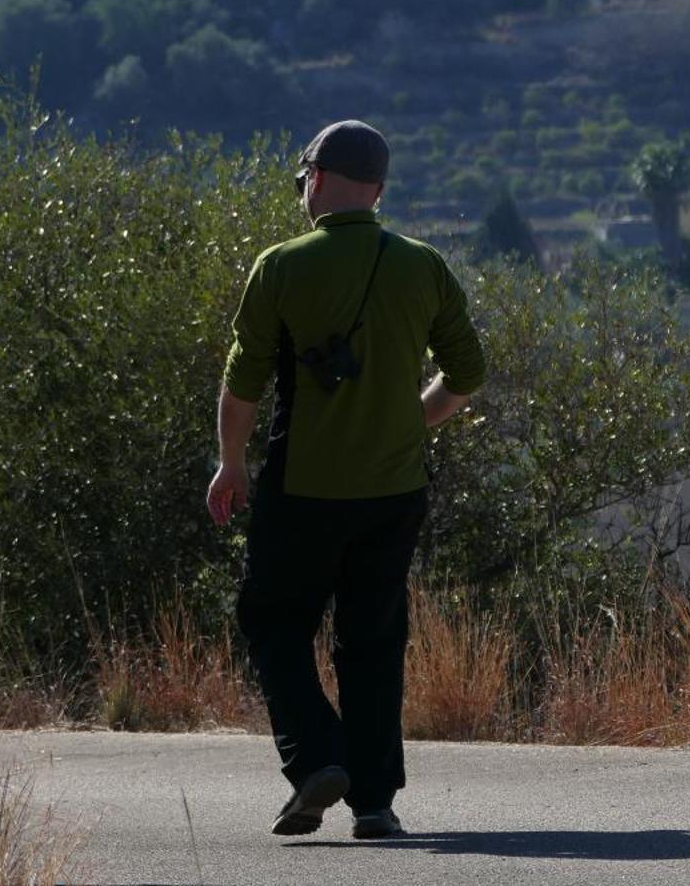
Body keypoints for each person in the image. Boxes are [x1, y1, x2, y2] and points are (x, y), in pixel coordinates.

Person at [206, 119, 484, 840]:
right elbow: (467, 374)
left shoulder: (281, 265)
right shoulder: (422, 265)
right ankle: (374, 801)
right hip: (394, 493)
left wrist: (231, 462)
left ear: (317, 179)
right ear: (381, 190)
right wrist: (410, 422)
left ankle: (317, 759)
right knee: (372, 639)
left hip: (303, 490)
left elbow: (242, 386)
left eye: (304, 180)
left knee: (272, 620)